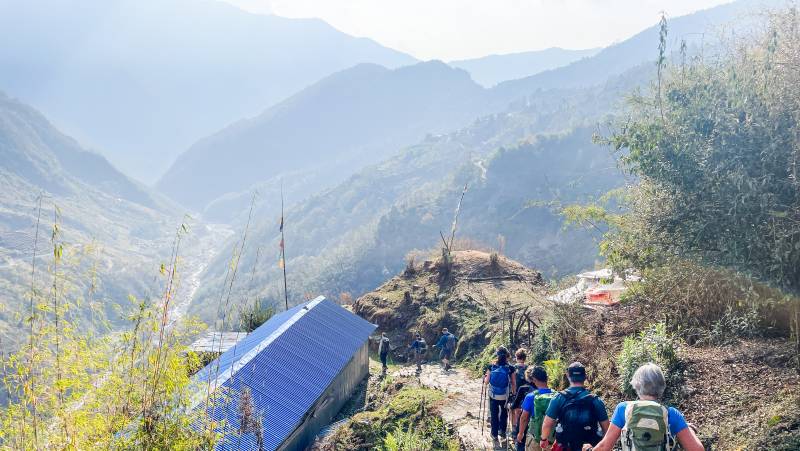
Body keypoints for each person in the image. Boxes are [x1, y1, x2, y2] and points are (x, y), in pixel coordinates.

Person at [582, 363, 704, 451]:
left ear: (636, 385)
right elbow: (697, 449)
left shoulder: (623, 409)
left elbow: (605, 447)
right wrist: (689, 429)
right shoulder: (671, 413)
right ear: (662, 385)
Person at [540, 362, 609, 451]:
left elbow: (547, 423)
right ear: (585, 377)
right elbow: (606, 429)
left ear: (568, 376)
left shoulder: (558, 398)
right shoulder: (595, 400)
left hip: (565, 446)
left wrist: (543, 439)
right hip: (589, 447)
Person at [484, 346, 517, 447]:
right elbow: (513, 383)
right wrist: (513, 394)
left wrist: (484, 377)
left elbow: (486, 382)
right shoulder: (510, 368)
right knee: (504, 413)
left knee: (494, 414)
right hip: (504, 396)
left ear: (497, 355)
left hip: (493, 395)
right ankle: (502, 432)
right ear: (507, 355)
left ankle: (494, 434)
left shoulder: (491, 366)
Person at [517, 366, 554, 451]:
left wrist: (521, 433)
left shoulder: (531, 396)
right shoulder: (557, 395)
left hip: (534, 436)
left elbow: (524, 418)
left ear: (534, 380)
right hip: (550, 438)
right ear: (547, 378)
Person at [510, 348, 531, 439]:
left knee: (513, 411)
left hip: (516, 392)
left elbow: (511, 381)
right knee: (524, 412)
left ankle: (514, 430)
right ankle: (522, 430)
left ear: (516, 357)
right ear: (525, 358)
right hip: (527, 393)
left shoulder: (513, 367)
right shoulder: (529, 368)